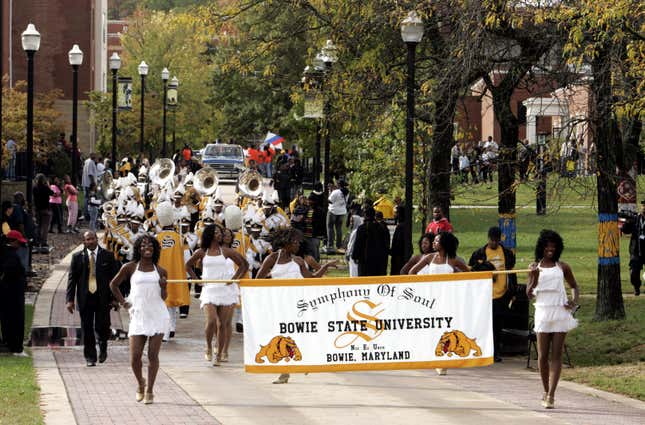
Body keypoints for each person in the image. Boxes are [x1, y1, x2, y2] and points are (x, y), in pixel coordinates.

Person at [256, 227, 337, 384]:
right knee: (281, 337)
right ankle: (285, 371)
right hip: (278, 304)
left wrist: (325, 267)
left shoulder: (298, 261)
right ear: (286, 243)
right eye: (295, 242)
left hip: (297, 304)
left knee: (297, 335)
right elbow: (258, 279)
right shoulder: (272, 259)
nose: (298, 245)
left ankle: (298, 364)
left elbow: (311, 279)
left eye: (299, 242)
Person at [109, 235, 170, 404]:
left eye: (150, 245)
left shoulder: (161, 271)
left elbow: (164, 297)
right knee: (135, 357)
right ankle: (140, 384)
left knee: (152, 355)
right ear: (138, 248)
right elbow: (113, 284)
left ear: (155, 249)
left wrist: (164, 287)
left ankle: (150, 390)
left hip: (158, 315)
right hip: (139, 315)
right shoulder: (130, 267)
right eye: (143, 245)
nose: (147, 247)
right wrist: (124, 303)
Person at [527, 230, 579, 409]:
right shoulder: (534, 266)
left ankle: (551, 395)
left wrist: (573, 302)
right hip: (542, 312)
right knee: (542, 356)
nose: (550, 249)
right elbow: (528, 295)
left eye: (553, 246)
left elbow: (574, 286)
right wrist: (533, 277)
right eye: (547, 246)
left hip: (559, 312)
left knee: (556, 355)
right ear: (541, 247)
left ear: (558, 248)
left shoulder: (563, 267)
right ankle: (545, 389)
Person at [186, 225, 248, 365]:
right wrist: (197, 280)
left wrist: (233, 279)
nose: (219, 235)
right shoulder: (202, 251)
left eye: (220, 232)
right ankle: (208, 346)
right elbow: (188, 265)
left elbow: (244, 265)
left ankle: (219, 354)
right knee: (211, 321)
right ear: (209, 234)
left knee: (223, 325)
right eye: (216, 232)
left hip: (225, 290)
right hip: (209, 290)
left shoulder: (226, 251)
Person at [409, 232, 468, 375]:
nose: (433, 243)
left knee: (444, 329)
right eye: (434, 240)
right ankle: (427, 354)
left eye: (436, 241)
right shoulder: (430, 257)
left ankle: (442, 361)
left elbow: (467, 273)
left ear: (444, 243)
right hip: (430, 299)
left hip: (447, 298)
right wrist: (422, 287)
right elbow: (412, 271)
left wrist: (456, 277)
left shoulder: (452, 260)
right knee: (431, 327)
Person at [66, 231, 120, 367]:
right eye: (87, 239)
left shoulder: (108, 256)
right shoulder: (77, 257)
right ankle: (90, 357)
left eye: (92, 239)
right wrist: (70, 300)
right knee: (87, 328)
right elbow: (71, 280)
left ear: (97, 239)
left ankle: (103, 346)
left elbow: (114, 279)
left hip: (103, 298)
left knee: (102, 326)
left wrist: (114, 298)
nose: (90, 241)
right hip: (85, 299)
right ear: (84, 242)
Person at [468, 226, 516, 362]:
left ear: (500, 239)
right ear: (488, 238)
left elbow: (511, 272)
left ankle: (495, 352)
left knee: (497, 325)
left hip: (501, 295)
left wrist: (513, 291)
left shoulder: (506, 253)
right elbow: (471, 270)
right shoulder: (479, 254)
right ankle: (482, 350)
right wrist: (485, 268)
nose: (493, 243)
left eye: (496, 240)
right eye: (491, 240)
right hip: (485, 295)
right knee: (484, 323)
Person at [0, 230, 28, 356]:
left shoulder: (6, 253)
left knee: (7, 319)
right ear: (13, 242)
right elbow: (14, 272)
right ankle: (15, 346)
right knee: (15, 319)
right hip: (13, 292)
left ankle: (9, 343)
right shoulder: (10, 255)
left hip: (8, 292)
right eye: (18, 242)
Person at [351, 207, 390, 276]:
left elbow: (358, 244)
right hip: (377, 259)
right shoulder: (380, 227)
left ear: (365, 215)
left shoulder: (362, 228)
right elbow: (384, 244)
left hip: (364, 259)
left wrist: (355, 256)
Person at [621, 200, 645, 296]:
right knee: (633, 272)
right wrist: (627, 222)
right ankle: (636, 286)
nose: (644, 208)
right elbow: (625, 231)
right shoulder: (635, 219)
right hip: (636, 250)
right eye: (643, 206)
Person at [326, 180, 349, 254]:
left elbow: (330, 201)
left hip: (333, 211)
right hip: (342, 211)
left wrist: (330, 192)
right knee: (339, 228)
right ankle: (339, 245)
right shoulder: (347, 192)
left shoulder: (335, 192)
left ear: (338, 185)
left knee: (330, 228)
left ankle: (330, 245)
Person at [389, 205, 412, 275]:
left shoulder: (401, 227)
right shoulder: (405, 225)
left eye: (396, 213)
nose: (394, 215)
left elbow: (398, 243)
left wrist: (392, 251)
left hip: (399, 257)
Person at [33, 174, 54, 251]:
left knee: (38, 226)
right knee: (45, 226)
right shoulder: (45, 188)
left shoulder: (35, 188)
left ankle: (37, 241)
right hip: (45, 209)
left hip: (37, 209)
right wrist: (48, 185)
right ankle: (43, 242)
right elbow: (52, 193)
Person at [81, 153, 98, 220]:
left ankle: (87, 214)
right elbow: (90, 174)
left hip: (86, 183)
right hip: (89, 184)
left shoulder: (87, 161)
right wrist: (93, 184)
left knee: (87, 198)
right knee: (88, 199)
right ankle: (87, 214)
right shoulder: (91, 162)